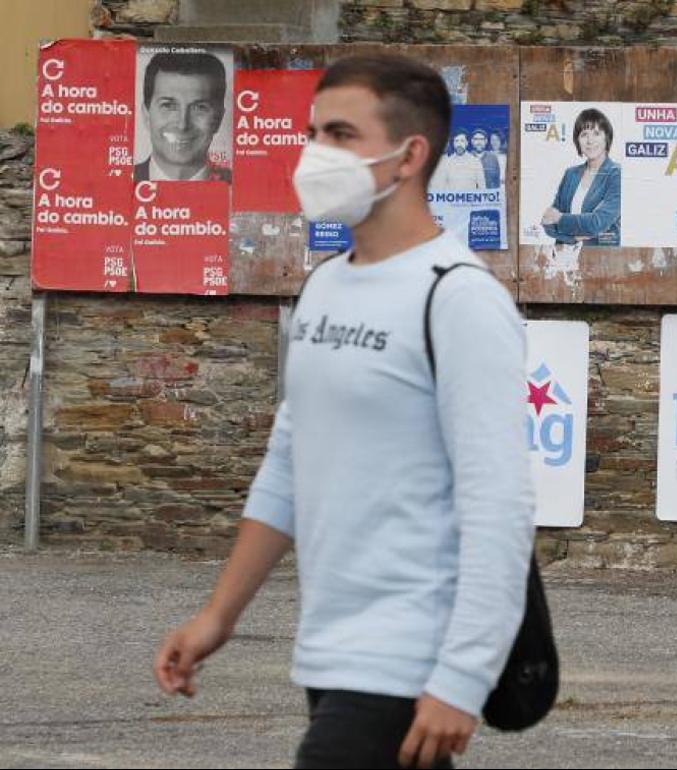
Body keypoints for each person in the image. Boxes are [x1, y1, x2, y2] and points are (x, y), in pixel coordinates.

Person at [153, 53, 535, 770]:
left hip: (406, 662)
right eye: (312, 132)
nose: (315, 153)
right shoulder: (326, 287)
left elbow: (500, 504)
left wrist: (462, 675)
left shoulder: (457, 299)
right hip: (328, 652)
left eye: (340, 133)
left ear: (409, 156)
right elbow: (288, 465)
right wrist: (218, 616)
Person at [135, 52, 232, 183]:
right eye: (168, 105)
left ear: (219, 118)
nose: (182, 125)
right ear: (146, 114)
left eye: (200, 107)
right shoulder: (114, 182)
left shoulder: (245, 187)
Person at [542, 107, 621, 247]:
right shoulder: (570, 174)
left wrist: (560, 219)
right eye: (584, 134)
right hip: (563, 258)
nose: (590, 141)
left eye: (596, 133)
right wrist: (574, 238)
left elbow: (597, 223)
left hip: (601, 257)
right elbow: (547, 223)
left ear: (606, 137)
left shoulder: (615, 174)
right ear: (577, 140)